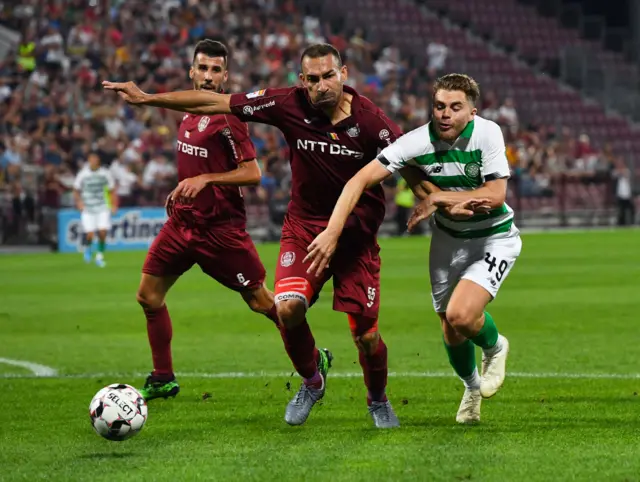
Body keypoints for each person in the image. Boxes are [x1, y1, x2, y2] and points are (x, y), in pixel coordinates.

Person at [105, 43, 430, 428]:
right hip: (305, 227)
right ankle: (312, 381)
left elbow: (404, 158)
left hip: (354, 238)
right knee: (288, 308)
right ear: (301, 81)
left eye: (328, 76)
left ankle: (378, 400)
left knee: (366, 338)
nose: (321, 85)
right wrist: (147, 98)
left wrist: (428, 196)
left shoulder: (372, 121)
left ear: (343, 74)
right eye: (312, 79)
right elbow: (215, 103)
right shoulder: (286, 103)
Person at [304, 73, 521, 424]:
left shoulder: (487, 133)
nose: (445, 114)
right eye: (439, 106)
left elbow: (496, 196)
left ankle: (496, 347)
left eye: (455, 107)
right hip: (448, 241)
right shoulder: (415, 142)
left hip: (492, 237)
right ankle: (470, 387)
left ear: (472, 111)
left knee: (461, 315)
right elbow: (359, 179)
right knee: (450, 328)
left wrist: (437, 197)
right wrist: (332, 230)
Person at [129, 40, 279, 401]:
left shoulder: (228, 118)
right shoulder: (187, 111)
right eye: (203, 68)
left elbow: (253, 173)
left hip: (220, 231)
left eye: (216, 70)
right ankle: (163, 377)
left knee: (260, 302)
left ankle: (312, 356)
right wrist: (186, 186)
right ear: (191, 72)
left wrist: (206, 180)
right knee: (149, 297)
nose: (209, 76)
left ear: (225, 76)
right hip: (182, 224)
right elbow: (197, 164)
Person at [73, 152, 117, 267]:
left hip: (102, 206)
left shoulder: (105, 173)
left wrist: (114, 204)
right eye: (91, 159)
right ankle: (88, 248)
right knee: (90, 234)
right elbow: (76, 189)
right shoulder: (83, 174)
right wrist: (79, 203)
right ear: (88, 160)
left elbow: (112, 189)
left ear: (98, 161)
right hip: (88, 208)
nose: (93, 161)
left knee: (102, 232)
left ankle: (99, 256)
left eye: (95, 159)